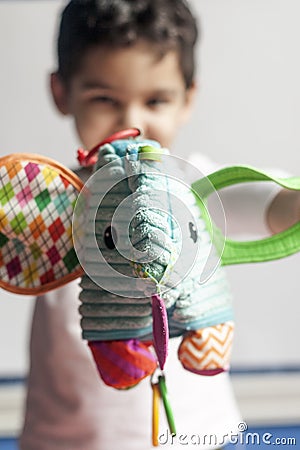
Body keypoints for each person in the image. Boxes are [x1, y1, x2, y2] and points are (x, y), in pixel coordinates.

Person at [19, 1, 300, 449]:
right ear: (61, 93)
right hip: (63, 440)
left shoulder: (195, 187)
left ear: (188, 98)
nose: (132, 122)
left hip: (197, 436)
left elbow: (276, 208)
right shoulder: (44, 199)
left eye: (156, 100)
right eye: (105, 99)